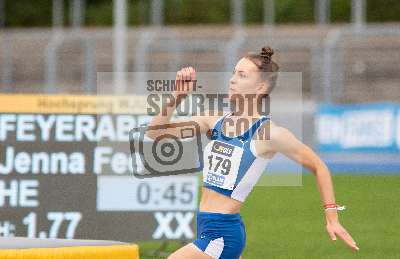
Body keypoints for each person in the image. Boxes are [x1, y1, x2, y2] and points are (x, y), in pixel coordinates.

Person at [146, 46, 359, 259]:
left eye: (242, 75)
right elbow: (156, 134)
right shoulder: (214, 120)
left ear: (260, 87)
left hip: (221, 235)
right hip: (209, 227)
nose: (232, 80)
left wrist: (332, 218)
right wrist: (176, 97)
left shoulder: (269, 134)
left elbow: (318, 166)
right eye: (233, 73)